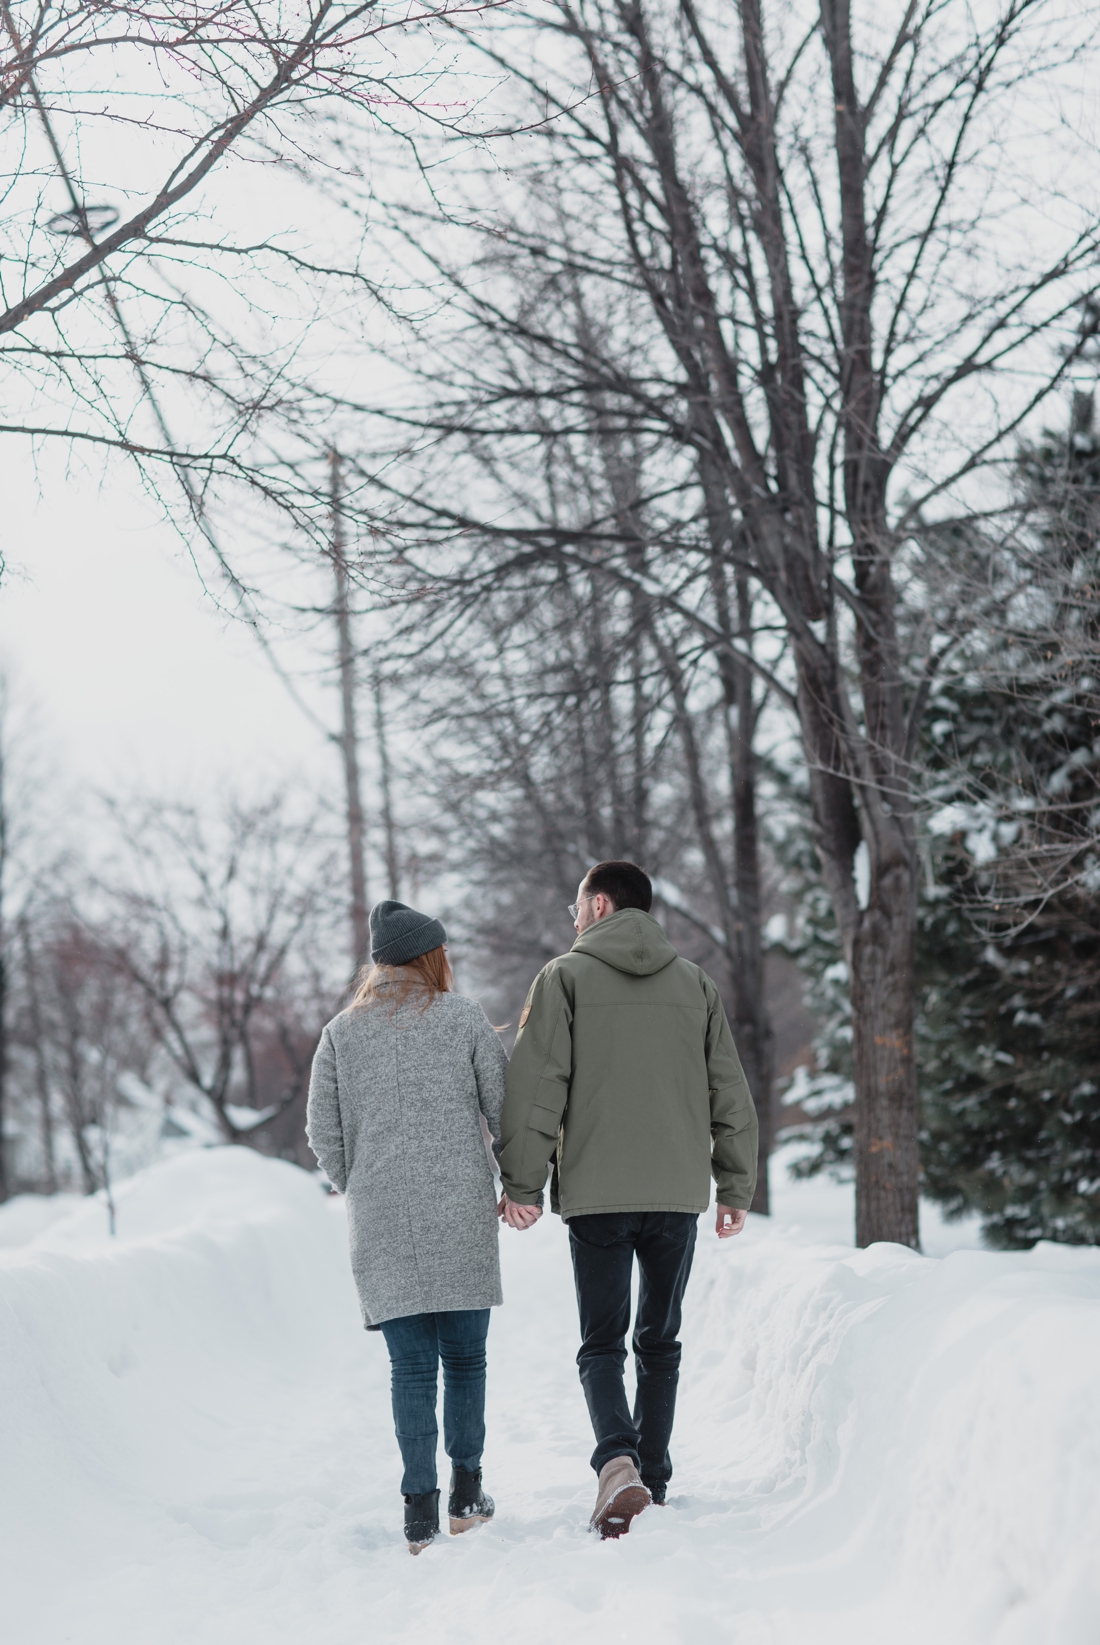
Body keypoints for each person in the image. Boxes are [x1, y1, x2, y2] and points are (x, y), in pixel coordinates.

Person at [496, 860, 757, 1539]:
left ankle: (619, 1463)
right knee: (660, 1340)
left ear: (601, 904)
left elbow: (536, 1088)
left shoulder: (565, 978)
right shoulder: (694, 982)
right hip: (675, 1194)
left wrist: (521, 1184)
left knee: (601, 1343)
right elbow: (729, 1088)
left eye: (577, 905)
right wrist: (735, 1183)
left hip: (598, 1195)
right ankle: (656, 1477)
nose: (572, 918)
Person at [306, 900, 508, 1554]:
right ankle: (466, 1494)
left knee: (412, 1369)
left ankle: (418, 1509)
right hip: (460, 1213)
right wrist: (517, 1182)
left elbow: (322, 1132)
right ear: (431, 955)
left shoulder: (340, 1032)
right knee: (466, 1359)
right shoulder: (464, 1017)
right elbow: (503, 1108)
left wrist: (359, 1179)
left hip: (383, 1219)